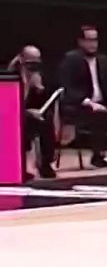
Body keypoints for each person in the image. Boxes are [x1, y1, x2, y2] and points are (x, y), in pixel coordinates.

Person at [57, 25, 107, 167]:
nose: (93, 44)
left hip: (102, 103)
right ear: (81, 41)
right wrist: (90, 103)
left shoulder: (104, 60)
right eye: (89, 40)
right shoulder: (71, 59)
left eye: (95, 40)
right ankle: (98, 156)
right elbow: (68, 87)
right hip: (79, 105)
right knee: (99, 115)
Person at [10, 46, 57, 180]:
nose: (34, 66)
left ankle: (45, 163)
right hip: (11, 114)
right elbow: (10, 104)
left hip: (28, 114)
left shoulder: (38, 75)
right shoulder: (12, 75)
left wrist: (39, 89)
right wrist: (28, 112)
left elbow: (42, 102)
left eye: (37, 61)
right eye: (30, 62)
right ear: (21, 59)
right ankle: (18, 166)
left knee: (46, 119)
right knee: (26, 121)